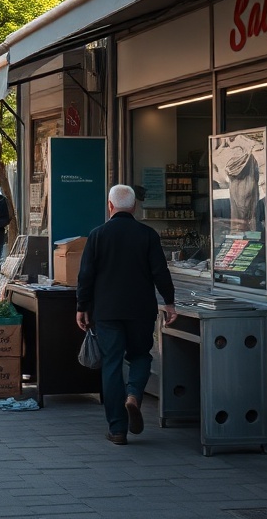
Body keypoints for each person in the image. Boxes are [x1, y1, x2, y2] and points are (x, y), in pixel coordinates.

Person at [76, 184, 178, 446]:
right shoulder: (147, 235)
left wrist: (82, 306)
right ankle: (133, 395)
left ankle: (118, 429)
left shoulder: (97, 235)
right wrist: (169, 303)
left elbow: (85, 275)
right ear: (134, 207)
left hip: (107, 311)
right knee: (141, 356)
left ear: (110, 206)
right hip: (140, 309)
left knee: (111, 364)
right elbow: (160, 271)